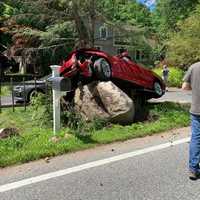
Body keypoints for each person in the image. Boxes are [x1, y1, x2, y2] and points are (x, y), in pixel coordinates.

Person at [182, 62, 200, 180]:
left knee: (196, 138)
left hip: (196, 109)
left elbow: (184, 87)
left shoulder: (194, 67)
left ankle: (193, 169)